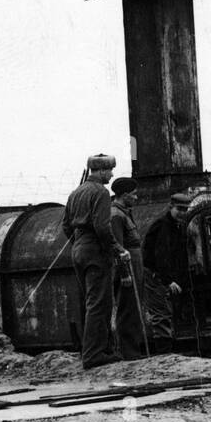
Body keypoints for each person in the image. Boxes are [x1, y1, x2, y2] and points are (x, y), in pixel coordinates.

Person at [63, 154, 128, 369]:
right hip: (95, 252)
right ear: (100, 171)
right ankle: (93, 356)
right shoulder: (101, 192)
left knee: (90, 302)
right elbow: (102, 226)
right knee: (99, 303)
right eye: (109, 170)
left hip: (78, 250)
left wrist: (79, 243)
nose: (111, 174)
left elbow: (65, 225)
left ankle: (97, 350)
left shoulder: (76, 192)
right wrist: (117, 248)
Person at [110, 177, 148, 359]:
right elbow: (118, 247)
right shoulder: (116, 215)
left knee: (134, 307)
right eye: (133, 194)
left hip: (135, 265)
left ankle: (134, 349)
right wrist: (124, 273)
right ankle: (130, 352)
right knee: (128, 309)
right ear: (124, 195)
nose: (136, 197)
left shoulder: (124, 212)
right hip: (128, 268)